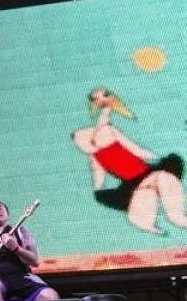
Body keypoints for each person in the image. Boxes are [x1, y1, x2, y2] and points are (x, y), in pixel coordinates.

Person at [72, 87, 187, 234]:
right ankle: (155, 228)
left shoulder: (108, 135)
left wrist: (106, 108)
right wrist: (98, 189)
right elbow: (98, 175)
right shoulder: (96, 156)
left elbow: (134, 148)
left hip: (146, 174)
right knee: (141, 212)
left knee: (174, 215)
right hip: (136, 184)